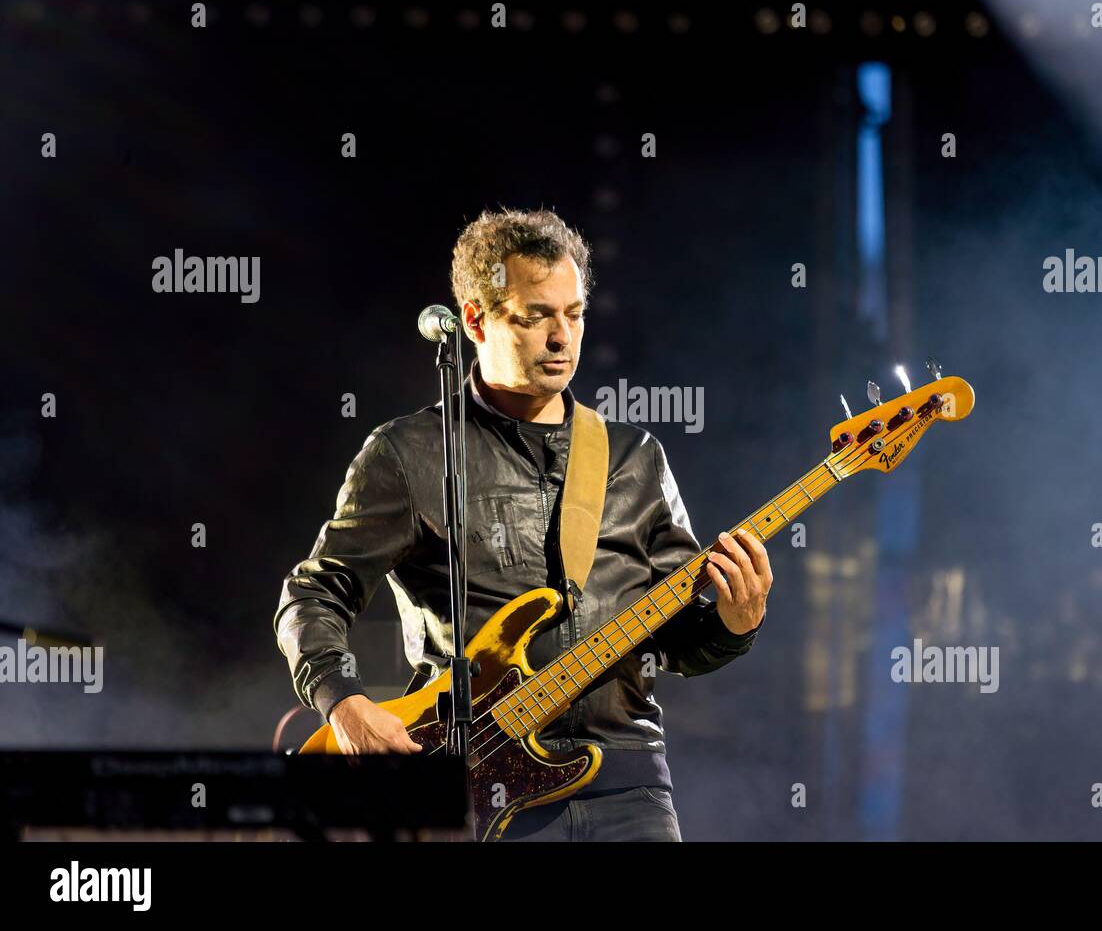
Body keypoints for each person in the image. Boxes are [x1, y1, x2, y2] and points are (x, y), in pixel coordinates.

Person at [273, 207, 770, 841]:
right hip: (472, 780)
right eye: (536, 317)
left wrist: (734, 624)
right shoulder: (411, 454)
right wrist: (344, 703)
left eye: (575, 313)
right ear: (476, 321)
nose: (563, 338)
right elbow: (313, 593)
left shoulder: (634, 459)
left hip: (627, 782)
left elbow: (675, 643)